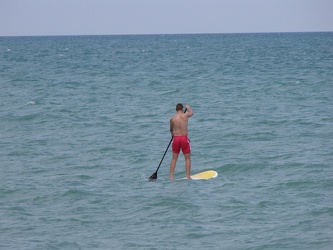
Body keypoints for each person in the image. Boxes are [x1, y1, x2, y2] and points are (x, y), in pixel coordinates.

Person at [169, 103, 194, 180]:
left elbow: (171, 130)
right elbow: (192, 113)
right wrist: (188, 107)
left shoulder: (172, 119)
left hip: (176, 138)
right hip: (184, 138)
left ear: (176, 110)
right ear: (182, 109)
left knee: (174, 158)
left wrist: (172, 135)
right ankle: (188, 176)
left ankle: (171, 177)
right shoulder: (185, 115)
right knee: (187, 158)